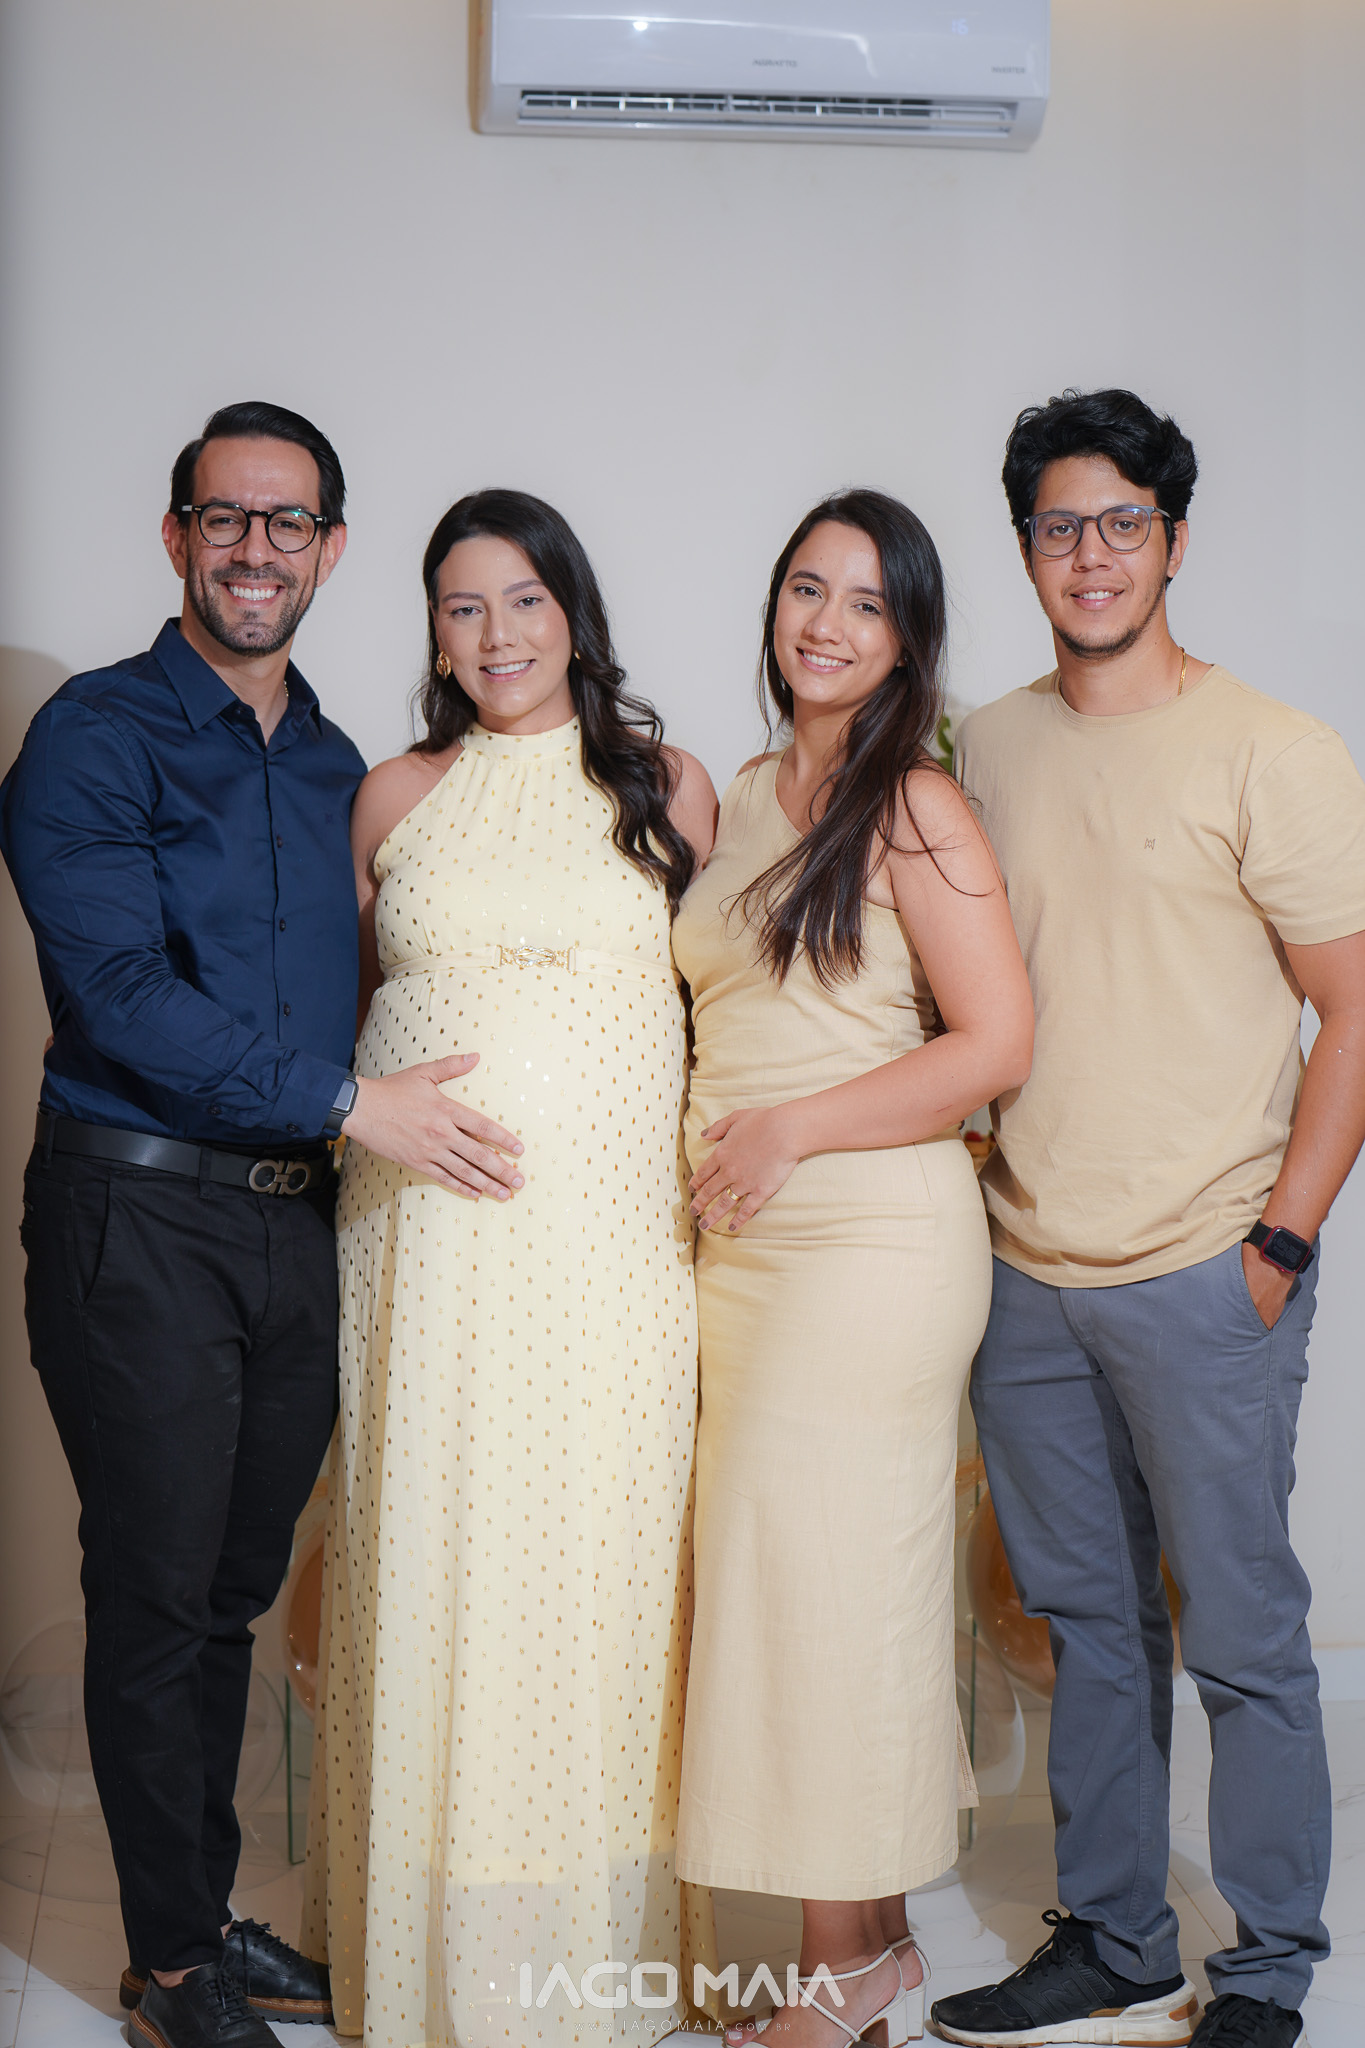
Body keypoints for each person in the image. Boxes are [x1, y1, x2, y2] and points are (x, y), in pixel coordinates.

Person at [1, 403, 528, 2048]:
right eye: (223, 518)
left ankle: (203, 1919)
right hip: (138, 1215)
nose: (253, 549)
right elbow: (117, 993)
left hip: (298, 1226)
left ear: (330, 549)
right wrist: (353, 1102)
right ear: (176, 537)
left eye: (285, 522)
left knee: (230, 1592)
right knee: (157, 1592)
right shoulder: (92, 736)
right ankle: (172, 1973)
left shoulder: (334, 763)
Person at [930, 389, 1365, 2048]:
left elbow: (1352, 1010)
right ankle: (1113, 1936)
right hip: (1024, 1274)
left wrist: (1281, 1245)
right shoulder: (985, 746)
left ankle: (1265, 1968)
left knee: (1241, 1639)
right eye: (1058, 526)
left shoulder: (1271, 750)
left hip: (1207, 1267)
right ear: (1023, 547)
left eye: (1122, 522)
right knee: (1087, 1634)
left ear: (1172, 542)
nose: (1091, 554)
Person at [300, 488, 718, 2048]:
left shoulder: (665, 786)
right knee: (429, 1562)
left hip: (610, 1257)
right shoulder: (392, 796)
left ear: (573, 613)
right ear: (431, 632)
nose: (495, 635)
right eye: (461, 607)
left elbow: (718, 1001)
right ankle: (424, 1956)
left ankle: (589, 1960)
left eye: (524, 601)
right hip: (421, 1258)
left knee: (597, 1568)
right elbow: (346, 1011)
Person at [672, 490, 1034, 2048]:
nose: (825, 624)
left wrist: (791, 1130)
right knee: (813, 1584)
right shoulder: (743, 792)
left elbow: (995, 1042)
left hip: (867, 1240)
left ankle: (839, 1978)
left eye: (866, 604)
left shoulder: (916, 806)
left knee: (818, 1587)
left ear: (907, 640)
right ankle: (871, 1947)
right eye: (806, 589)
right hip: (745, 1253)